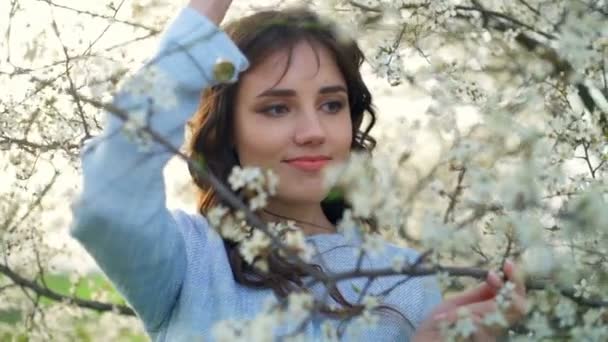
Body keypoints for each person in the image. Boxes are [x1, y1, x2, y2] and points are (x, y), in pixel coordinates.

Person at [69, 0, 527, 340]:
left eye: (331, 104)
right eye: (276, 109)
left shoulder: (405, 278)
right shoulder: (188, 262)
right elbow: (108, 198)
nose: (313, 131)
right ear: (227, 131)